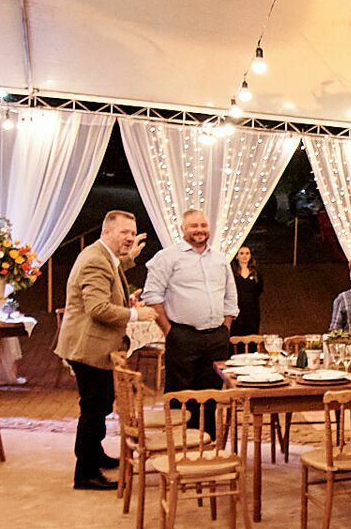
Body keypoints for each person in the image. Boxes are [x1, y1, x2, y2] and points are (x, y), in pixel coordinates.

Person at [53, 211, 146, 491]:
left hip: (92, 347)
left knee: (102, 404)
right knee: (94, 409)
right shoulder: (95, 260)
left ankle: (95, 455)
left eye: (132, 232)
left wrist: (130, 258)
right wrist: (136, 316)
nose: (130, 237)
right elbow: (97, 308)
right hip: (88, 347)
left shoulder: (103, 255)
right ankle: (85, 473)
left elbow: (114, 270)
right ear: (106, 233)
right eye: (124, 232)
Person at [143, 209, 238, 427]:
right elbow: (152, 295)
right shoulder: (167, 257)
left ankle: (207, 443)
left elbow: (230, 297)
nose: (200, 230)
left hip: (216, 337)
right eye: (194, 226)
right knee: (180, 395)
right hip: (182, 335)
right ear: (183, 229)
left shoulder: (220, 259)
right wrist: (169, 331)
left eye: (203, 226)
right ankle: (179, 447)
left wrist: (225, 328)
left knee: (211, 394)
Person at [230, 245, 263, 338]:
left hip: (252, 311)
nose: (244, 256)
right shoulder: (232, 272)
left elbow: (259, 289)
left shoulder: (256, 272)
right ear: (236, 256)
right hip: (237, 310)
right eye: (241, 253)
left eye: (247, 253)